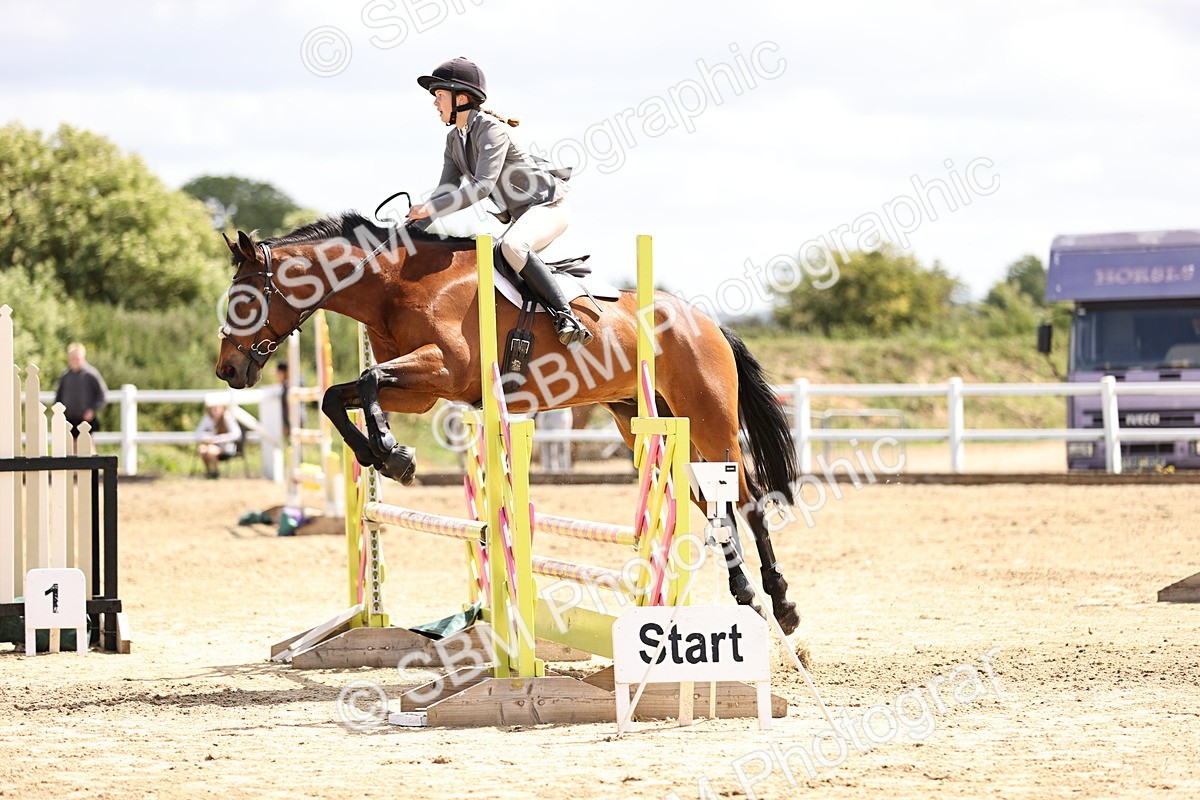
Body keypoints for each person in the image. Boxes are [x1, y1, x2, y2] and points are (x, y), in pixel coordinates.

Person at [406, 56, 593, 349]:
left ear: (461, 98)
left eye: (440, 96)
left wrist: (428, 209)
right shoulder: (454, 140)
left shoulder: (491, 129)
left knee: (512, 247)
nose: (435, 103)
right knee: (492, 260)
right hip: (525, 216)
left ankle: (568, 319)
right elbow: (445, 189)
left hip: (548, 209)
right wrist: (410, 231)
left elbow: (481, 187)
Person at [54, 342, 108, 438]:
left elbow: (102, 395)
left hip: (86, 418)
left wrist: (92, 409)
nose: (74, 360)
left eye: (77, 358)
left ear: (83, 357)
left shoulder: (91, 374)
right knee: (71, 446)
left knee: (87, 445)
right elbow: (59, 396)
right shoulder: (66, 376)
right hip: (69, 418)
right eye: (72, 358)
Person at [196, 396, 242, 479]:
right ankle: (209, 471)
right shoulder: (207, 418)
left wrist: (217, 439)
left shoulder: (227, 417)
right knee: (202, 449)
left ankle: (216, 471)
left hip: (225, 447)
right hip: (211, 445)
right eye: (213, 408)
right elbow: (198, 433)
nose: (215, 410)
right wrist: (206, 437)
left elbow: (236, 434)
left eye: (217, 408)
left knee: (210, 451)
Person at [536, 408, 574, 474]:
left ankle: (564, 474)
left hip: (560, 412)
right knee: (545, 445)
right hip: (544, 412)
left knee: (562, 446)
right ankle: (547, 474)